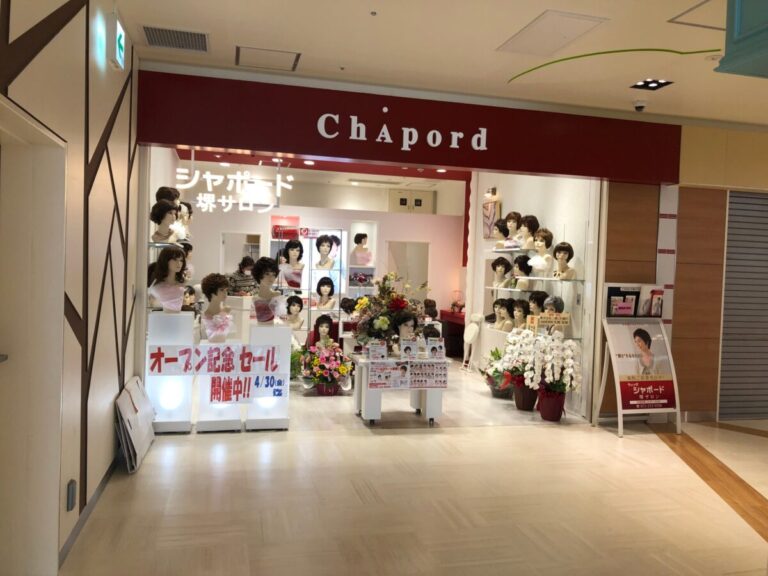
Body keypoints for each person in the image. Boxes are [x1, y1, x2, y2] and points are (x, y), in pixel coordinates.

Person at [148, 245, 186, 311]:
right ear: (165, 260)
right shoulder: (157, 287)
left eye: (181, 260)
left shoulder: (181, 286)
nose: (179, 263)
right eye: (174, 260)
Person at [200, 273, 233, 343]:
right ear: (211, 292)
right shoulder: (202, 317)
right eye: (222, 290)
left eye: (226, 290)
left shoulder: (227, 311)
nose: (225, 293)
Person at [251, 257, 285, 324]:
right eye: (267, 274)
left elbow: (282, 316)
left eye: (273, 274)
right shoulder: (255, 298)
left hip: (272, 328)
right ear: (259, 274)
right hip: (258, 328)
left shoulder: (276, 295)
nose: (271, 278)